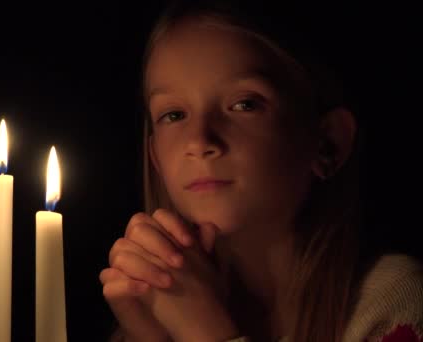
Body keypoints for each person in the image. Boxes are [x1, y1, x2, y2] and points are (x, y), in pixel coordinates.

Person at [99, 1, 423, 341]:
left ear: (328, 142)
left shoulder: (395, 305)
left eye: (244, 104)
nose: (199, 141)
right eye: (174, 115)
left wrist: (206, 334)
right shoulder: (145, 313)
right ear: (156, 160)